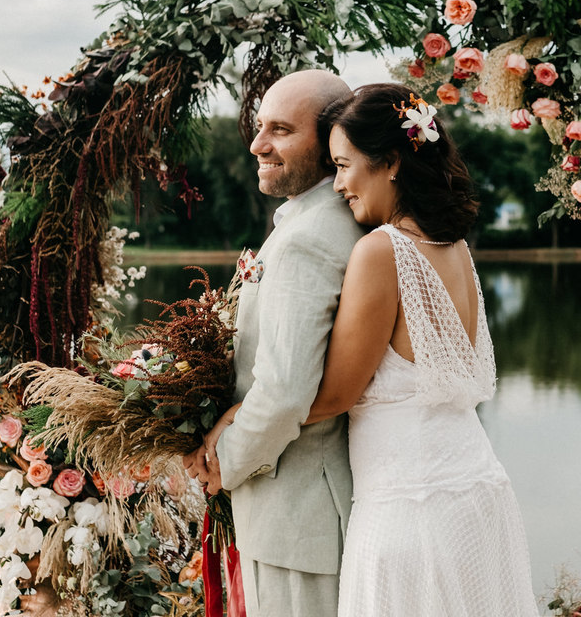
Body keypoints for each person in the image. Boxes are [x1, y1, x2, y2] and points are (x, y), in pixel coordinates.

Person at [309, 83, 539, 615]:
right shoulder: (455, 248)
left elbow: (334, 396)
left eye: (342, 166)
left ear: (391, 162)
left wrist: (236, 417)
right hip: (477, 494)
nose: (337, 185)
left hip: (411, 511)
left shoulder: (381, 252)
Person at [185, 69, 364, 617]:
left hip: (301, 516)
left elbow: (285, 390)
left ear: (332, 140)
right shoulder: (324, 221)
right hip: (307, 510)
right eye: (260, 126)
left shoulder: (308, 239)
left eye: (281, 130)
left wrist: (223, 462)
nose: (257, 144)